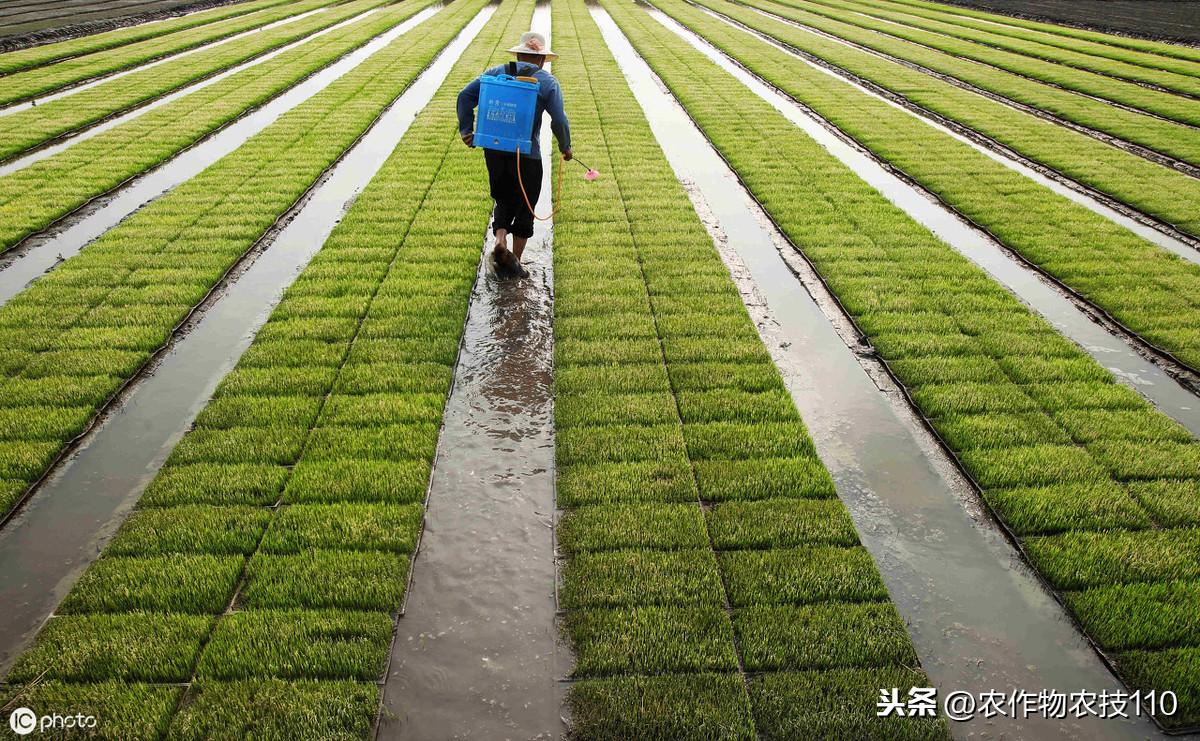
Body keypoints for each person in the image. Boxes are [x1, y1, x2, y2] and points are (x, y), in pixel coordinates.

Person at [457, 31, 572, 277]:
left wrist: (467, 130)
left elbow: (464, 96)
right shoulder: (547, 82)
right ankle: (515, 261)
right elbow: (559, 120)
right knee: (526, 207)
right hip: (527, 155)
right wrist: (565, 146)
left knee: (503, 198)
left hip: (494, 150)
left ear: (519, 54)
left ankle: (500, 239)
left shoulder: (495, 73)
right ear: (541, 59)